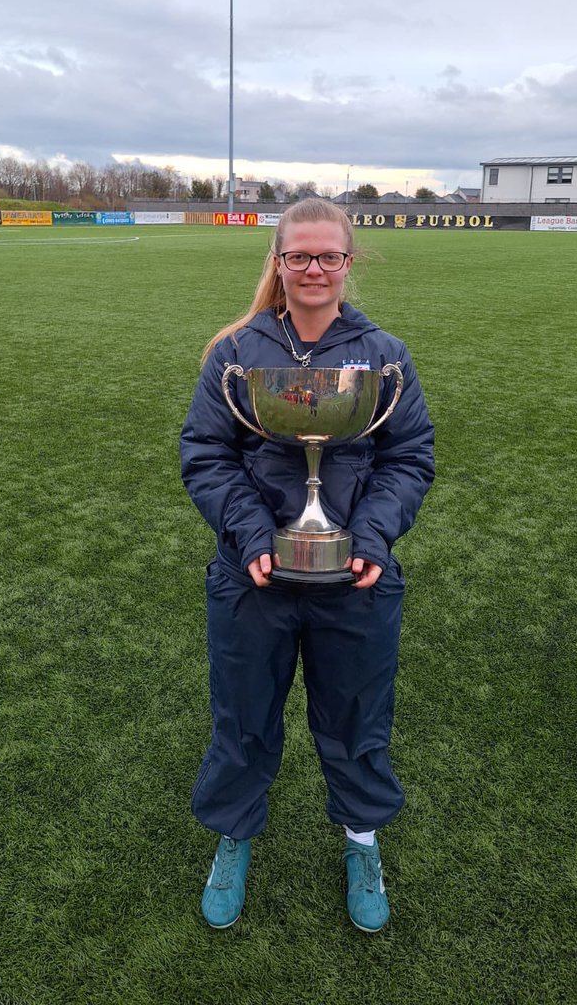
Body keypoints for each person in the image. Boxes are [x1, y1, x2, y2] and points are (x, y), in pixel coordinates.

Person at [180, 198, 435, 932]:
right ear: (278, 262)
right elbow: (206, 454)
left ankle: (362, 842)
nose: (314, 269)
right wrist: (254, 534)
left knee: (358, 719)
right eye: (299, 256)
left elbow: (409, 457)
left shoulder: (384, 355)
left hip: (355, 579)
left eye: (329, 256)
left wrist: (373, 538)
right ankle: (235, 838)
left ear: (348, 262)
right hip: (252, 578)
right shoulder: (235, 351)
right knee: (243, 719)